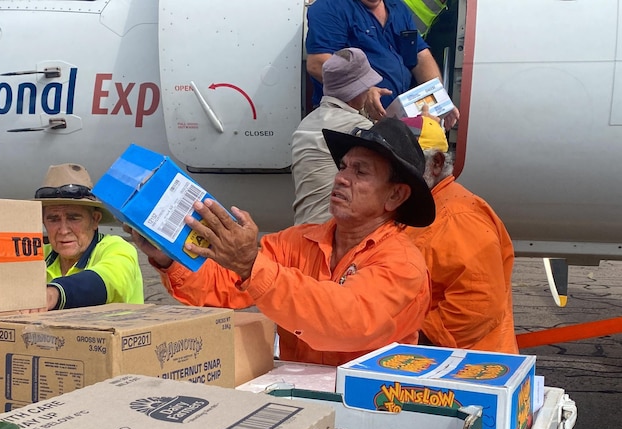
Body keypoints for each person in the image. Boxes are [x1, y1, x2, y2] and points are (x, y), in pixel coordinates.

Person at [129, 118, 433, 367]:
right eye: (343, 167)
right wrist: (169, 256)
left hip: (369, 407)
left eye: (360, 171)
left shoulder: (401, 262)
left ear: (395, 196)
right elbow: (221, 286)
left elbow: (345, 321)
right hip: (299, 395)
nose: (341, 178)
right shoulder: (298, 240)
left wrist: (250, 265)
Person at [400, 116, 519, 353]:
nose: (395, 175)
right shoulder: (418, 207)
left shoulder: (459, 218)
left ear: (436, 163)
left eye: (405, 164)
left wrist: (407, 338)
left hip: (465, 370)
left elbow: (477, 304)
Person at [305, 0, 460, 129]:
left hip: (394, 122)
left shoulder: (398, 7)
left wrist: (439, 98)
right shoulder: (330, 7)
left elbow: (420, 56)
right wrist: (364, 91)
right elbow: (317, 63)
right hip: (348, 122)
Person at [35, 163, 144, 309]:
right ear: (43, 222)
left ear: (95, 220)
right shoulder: (38, 254)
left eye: (73, 218)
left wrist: (55, 293)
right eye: (53, 219)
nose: (63, 230)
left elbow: (109, 281)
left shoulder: (117, 248)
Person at [291, 48, 380, 225]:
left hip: (301, 229)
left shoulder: (307, 122)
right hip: (331, 233)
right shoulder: (358, 127)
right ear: (358, 89)